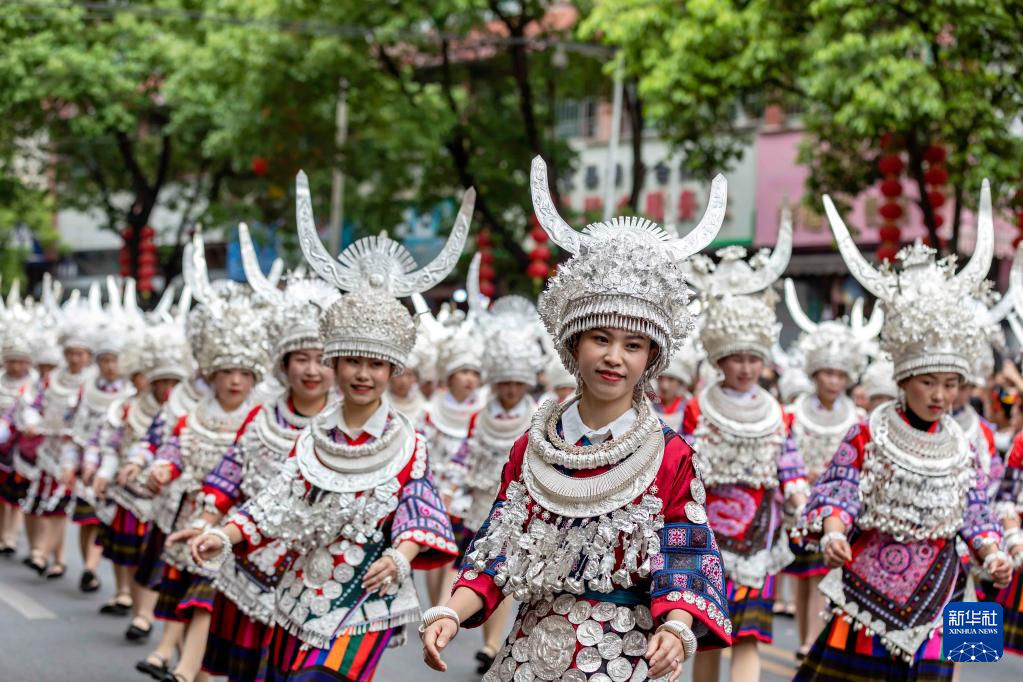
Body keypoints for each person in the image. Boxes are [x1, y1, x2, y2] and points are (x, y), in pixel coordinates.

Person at [422, 157, 732, 682]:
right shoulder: (533, 447)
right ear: (573, 344)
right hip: (529, 654)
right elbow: (498, 547)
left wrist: (677, 627)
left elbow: (686, 550)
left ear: (651, 358)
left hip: (622, 657)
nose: (614, 357)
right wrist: (451, 611)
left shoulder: (670, 455)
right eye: (600, 338)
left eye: (632, 345)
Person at [189, 171, 469, 682]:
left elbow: (419, 510)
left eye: (375, 364)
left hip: (368, 594)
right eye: (353, 362)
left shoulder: (407, 442)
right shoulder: (312, 439)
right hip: (301, 588)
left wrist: (401, 556)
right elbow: (276, 502)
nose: (363, 374)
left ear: (391, 371)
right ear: (335, 365)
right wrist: (224, 535)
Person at [793, 184, 1013, 681]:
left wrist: (995, 551)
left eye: (950, 385)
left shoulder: (970, 440)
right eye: (929, 383)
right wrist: (834, 531)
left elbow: (979, 507)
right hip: (868, 588)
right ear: (904, 380)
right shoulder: (868, 433)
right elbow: (840, 491)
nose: (940, 395)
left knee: (948, 670)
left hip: (950, 583)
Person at [168, 226, 340, 682]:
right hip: (251, 555)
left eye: (321, 359)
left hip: (320, 573)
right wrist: (206, 520)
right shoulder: (261, 419)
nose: (311, 370)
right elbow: (230, 474)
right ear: (283, 364)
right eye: (300, 358)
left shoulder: (349, 428)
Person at [681, 211, 807, 682]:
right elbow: (683, 466)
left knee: (748, 635)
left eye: (754, 358)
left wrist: (798, 496)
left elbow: (789, 462)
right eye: (737, 358)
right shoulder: (698, 408)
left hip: (759, 535)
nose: (747, 368)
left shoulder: (777, 412)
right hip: (705, 534)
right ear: (720, 359)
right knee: (706, 634)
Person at [144, 244, 271, 682]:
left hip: (238, 526)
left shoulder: (264, 421)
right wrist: (161, 470)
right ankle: (181, 663)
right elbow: (173, 451)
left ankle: (180, 666)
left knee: (206, 600)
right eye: (226, 372)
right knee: (189, 596)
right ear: (210, 375)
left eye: (243, 372)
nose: (235, 380)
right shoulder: (192, 415)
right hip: (191, 517)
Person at [458, 277, 544, 674]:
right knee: (483, 571)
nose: (510, 389)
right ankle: (488, 641)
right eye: (504, 382)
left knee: (505, 571)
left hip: (520, 508)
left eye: (517, 382)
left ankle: (494, 644)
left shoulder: (540, 418)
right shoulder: (478, 416)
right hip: (480, 503)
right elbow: (463, 457)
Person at [783, 282, 870, 657]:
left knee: (823, 576)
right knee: (803, 578)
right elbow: (785, 459)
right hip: (799, 507)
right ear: (815, 374)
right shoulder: (793, 413)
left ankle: (812, 642)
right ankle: (807, 639)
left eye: (839, 374)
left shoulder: (859, 418)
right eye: (827, 373)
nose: (833, 381)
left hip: (839, 512)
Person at [94, 320, 191, 641]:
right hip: (133, 494)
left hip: (177, 501)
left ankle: (157, 628)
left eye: (174, 381)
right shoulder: (132, 408)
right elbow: (140, 443)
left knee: (166, 567)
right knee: (131, 554)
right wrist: (123, 467)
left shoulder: (192, 410)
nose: (168, 388)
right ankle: (137, 610)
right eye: (162, 381)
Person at [17, 287, 102, 579]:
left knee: (69, 508)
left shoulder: (94, 384)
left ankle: (54, 557)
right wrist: (32, 421)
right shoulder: (51, 379)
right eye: (71, 353)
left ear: (88, 356)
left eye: (80, 354)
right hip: (50, 449)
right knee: (47, 505)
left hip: (82, 453)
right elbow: (33, 404)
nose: (75, 358)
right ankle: (50, 556)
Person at [420, 292, 486, 606]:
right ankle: (435, 605)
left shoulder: (483, 414)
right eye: (464, 372)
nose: (469, 379)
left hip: (467, 496)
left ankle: (441, 609)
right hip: (436, 493)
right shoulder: (430, 411)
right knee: (437, 555)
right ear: (451, 376)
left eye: (474, 373)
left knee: (456, 559)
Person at [63, 328, 130, 594]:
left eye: (114, 360)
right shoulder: (85, 390)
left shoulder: (131, 393)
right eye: (105, 360)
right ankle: (89, 568)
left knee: (109, 523)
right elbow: (74, 429)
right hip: (88, 463)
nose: (110, 366)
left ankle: (100, 573)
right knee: (88, 520)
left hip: (119, 465)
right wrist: (71, 463)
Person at [0, 285, 39, 555]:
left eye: (21, 361)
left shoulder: (35, 384)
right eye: (11, 361)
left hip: (22, 446)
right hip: (1, 445)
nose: (16, 367)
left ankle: (11, 537)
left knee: (16, 496)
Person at [654, 341, 699, 433]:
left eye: (671, 380)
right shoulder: (649, 406)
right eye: (661, 378)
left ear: (680, 382)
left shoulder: (690, 408)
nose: (664, 386)